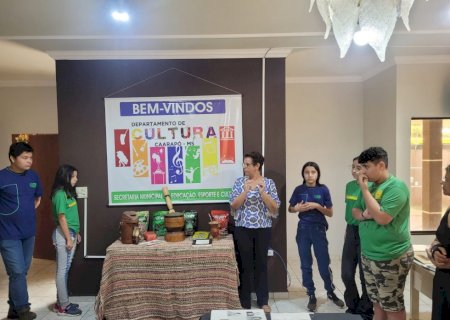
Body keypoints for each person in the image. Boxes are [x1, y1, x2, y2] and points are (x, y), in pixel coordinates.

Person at [352, 147, 413, 320]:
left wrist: (364, 191)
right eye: (361, 166)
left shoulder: (396, 187)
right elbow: (355, 211)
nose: (362, 171)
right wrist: (364, 215)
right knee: (377, 302)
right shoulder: (370, 185)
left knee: (392, 305)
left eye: (366, 166)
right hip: (369, 254)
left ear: (381, 165)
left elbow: (382, 218)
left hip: (391, 255)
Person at [288, 161, 344, 312]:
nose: (310, 175)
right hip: (303, 230)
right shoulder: (298, 189)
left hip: (319, 230)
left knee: (323, 264)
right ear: (303, 174)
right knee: (306, 264)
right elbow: (290, 208)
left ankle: (330, 291)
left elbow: (330, 213)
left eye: (313, 172)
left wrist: (317, 206)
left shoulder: (323, 189)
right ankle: (311, 294)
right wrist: (296, 208)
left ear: (317, 174)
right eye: (307, 172)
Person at [229, 151, 280, 312]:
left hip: (262, 229)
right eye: (244, 164)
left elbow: (274, 207)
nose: (244, 167)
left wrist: (262, 192)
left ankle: (263, 300)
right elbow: (234, 206)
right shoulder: (239, 182)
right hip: (242, 228)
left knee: (261, 264)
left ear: (257, 166)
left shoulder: (269, 183)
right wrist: (245, 191)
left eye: (247, 164)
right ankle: (244, 301)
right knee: (244, 264)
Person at [0, 142, 42, 320]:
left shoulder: (33, 176)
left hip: (28, 232)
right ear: (12, 158)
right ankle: (23, 310)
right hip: (7, 233)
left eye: (30, 157)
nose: (29, 161)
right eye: (25, 157)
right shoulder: (2, 177)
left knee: (21, 272)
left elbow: (37, 199)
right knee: (16, 271)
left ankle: (13, 310)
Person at [341, 157, 373, 319]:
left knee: (364, 273)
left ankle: (366, 308)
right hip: (351, 230)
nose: (354, 170)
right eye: (352, 167)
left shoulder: (371, 187)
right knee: (346, 273)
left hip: (366, 231)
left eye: (358, 167)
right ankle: (352, 305)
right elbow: (349, 211)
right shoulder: (349, 186)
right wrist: (347, 231)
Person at [50, 165, 83, 316]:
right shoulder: (59, 195)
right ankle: (64, 306)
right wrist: (69, 238)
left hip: (71, 233)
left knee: (65, 269)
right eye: (74, 176)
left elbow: (71, 216)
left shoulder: (68, 193)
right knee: (62, 271)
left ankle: (60, 302)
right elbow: (62, 218)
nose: (76, 179)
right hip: (64, 234)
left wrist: (77, 233)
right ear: (65, 177)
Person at [427, 164, 450, 320]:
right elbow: (439, 239)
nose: (442, 183)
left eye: (446, 179)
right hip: (443, 280)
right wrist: (435, 250)